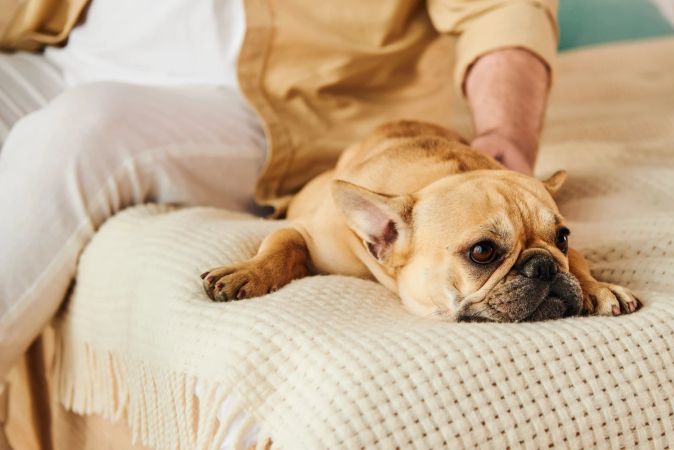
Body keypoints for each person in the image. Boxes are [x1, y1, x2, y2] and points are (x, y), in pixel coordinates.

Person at [0, 0, 557, 389]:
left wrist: (505, 134)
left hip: (270, 108)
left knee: (85, 130)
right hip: (58, 54)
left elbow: (502, 7)